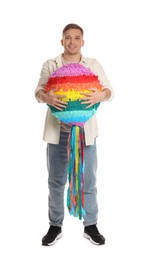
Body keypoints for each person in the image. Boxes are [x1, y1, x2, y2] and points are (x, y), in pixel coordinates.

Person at [35, 23, 113, 246]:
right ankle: (55, 225)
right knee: (56, 181)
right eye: (67, 38)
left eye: (76, 38)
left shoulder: (93, 65)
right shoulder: (51, 65)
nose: (72, 42)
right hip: (58, 133)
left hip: (85, 133)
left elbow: (109, 91)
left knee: (88, 180)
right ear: (62, 41)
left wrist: (101, 95)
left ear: (82, 42)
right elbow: (38, 91)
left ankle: (90, 225)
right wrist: (46, 98)